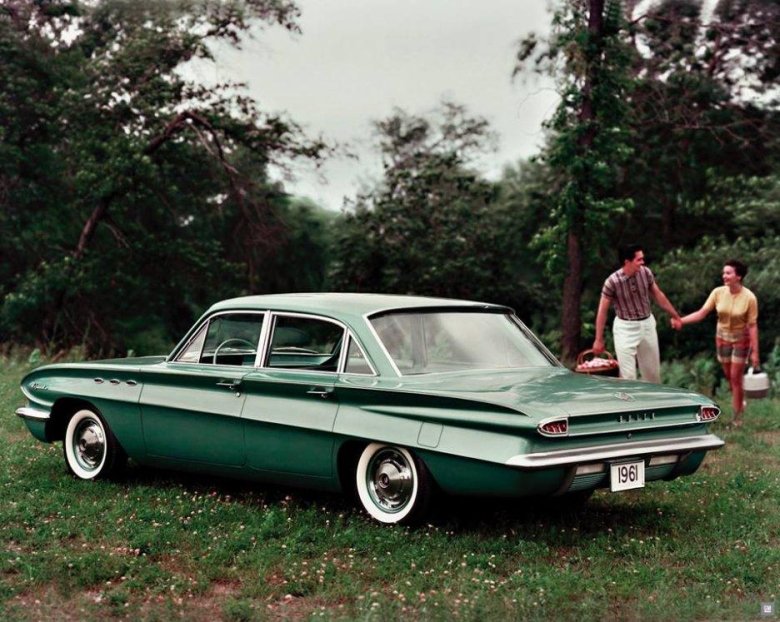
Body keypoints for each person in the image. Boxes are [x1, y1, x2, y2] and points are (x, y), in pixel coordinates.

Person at [671, 259, 759, 426]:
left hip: (741, 339)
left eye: (728, 273)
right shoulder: (718, 292)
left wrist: (755, 352)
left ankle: (737, 418)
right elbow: (701, 313)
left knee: (736, 377)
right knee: (729, 376)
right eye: (724, 273)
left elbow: (753, 326)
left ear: (738, 276)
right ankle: (739, 400)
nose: (724, 276)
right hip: (722, 337)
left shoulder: (749, 298)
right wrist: (681, 320)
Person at [593, 244, 681, 383]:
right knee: (628, 377)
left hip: (646, 324)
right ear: (627, 262)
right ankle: (630, 397)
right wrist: (598, 339)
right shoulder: (612, 282)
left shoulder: (645, 273)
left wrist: (675, 315)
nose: (642, 262)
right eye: (639, 259)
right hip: (625, 328)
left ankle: (653, 397)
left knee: (652, 375)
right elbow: (602, 311)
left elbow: (658, 295)